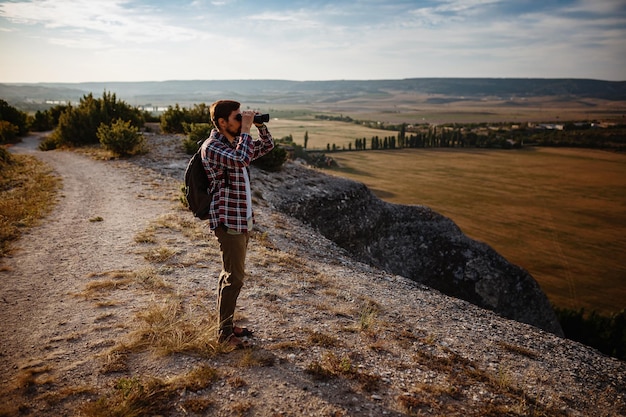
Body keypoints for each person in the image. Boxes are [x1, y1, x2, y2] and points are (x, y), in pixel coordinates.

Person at [201, 99, 274, 349]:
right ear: (222, 122)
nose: (242, 120)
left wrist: (259, 126)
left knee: (230, 276)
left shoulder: (234, 144)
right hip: (227, 220)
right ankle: (223, 335)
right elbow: (241, 160)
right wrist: (245, 130)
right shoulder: (213, 147)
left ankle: (227, 324)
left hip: (241, 220)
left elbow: (267, 146)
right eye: (236, 117)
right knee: (235, 278)